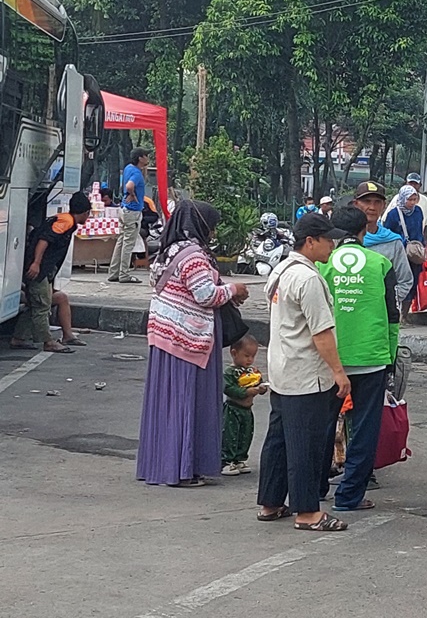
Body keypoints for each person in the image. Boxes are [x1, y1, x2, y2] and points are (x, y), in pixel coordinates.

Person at [137, 200, 249, 487]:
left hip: (164, 334)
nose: (213, 232)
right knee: (188, 403)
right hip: (187, 338)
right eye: (211, 226)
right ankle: (183, 470)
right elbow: (205, 295)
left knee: (166, 403)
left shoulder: (168, 250)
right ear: (201, 225)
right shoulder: (193, 255)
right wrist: (233, 289)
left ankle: (160, 465)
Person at [257, 212, 351, 532]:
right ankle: (308, 511)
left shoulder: (282, 270)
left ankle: (271, 502)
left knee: (279, 439)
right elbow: (321, 333)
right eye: (327, 239)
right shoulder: (309, 279)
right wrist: (339, 372)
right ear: (310, 242)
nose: (332, 245)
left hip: (282, 367)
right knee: (306, 443)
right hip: (305, 373)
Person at [319, 207, 399, 511]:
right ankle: (349, 496)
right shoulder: (380, 263)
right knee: (364, 429)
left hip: (330, 359)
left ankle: (316, 489)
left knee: (324, 425)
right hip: (371, 357)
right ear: (364, 230)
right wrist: (390, 356)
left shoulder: (323, 265)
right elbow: (393, 316)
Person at [10, 192, 92, 354]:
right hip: (38, 270)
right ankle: (48, 342)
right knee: (42, 306)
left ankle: (18, 338)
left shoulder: (63, 219)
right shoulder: (66, 222)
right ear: (85, 213)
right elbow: (44, 241)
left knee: (35, 305)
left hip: (43, 271)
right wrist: (36, 263)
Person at [354, 182, 413, 307]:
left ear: (384, 206)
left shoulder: (393, 242)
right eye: (367, 201)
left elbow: (405, 280)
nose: (372, 207)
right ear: (356, 204)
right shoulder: (342, 240)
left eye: (377, 202)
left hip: (380, 316)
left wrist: (387, 302)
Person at [222, 335, 267, 476]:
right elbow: (228, 388)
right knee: (231, 435)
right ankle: (227, 461)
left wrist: (261, 388)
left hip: (247, 409)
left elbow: (259, 382)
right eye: (246, 356)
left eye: (253, 356)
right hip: (233, 408)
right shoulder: (230, 372)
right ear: (234, 353)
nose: (250, 360)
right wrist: (245, 392)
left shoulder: (251, 371)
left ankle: (240, 458)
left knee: (246, 435)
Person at [108, 147, 151, 283]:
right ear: (140, 158)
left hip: (124, 209)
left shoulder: (128, 168)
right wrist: (132, 195)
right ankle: (124, 274)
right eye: (146, 155)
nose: (147, 158)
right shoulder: (137, 174)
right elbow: (129, 186)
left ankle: (114, 272)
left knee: (121, 241)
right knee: (128, 243)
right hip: (132, 211)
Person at [382, 184, 426, 249]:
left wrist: (424, 245)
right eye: (409, 199)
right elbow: (387, 233)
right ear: (403, 198)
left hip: (417, 249)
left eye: (414, 199)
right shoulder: (393, 214)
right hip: (399, 249)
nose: (412, 202)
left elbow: (420, 230)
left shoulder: (418, 211)